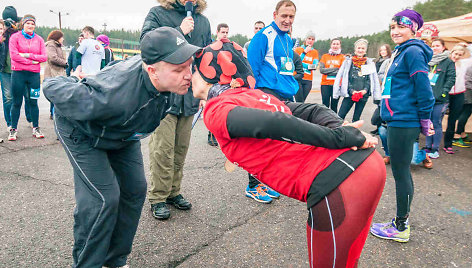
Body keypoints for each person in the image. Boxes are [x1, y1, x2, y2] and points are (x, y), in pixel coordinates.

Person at [192, 38, 385, 268]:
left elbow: (276, 122)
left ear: (209, 74)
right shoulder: (253, 96)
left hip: (339, 182)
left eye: (192, 71)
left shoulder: (217, 108)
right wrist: (341, 129)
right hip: (365, 167)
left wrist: (341, 136)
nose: (188, 76)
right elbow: (312, 109)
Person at [43, 27, 201, 268]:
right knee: (103, 199)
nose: (188, 75)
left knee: (135, 190)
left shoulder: (172, 82)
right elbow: (52, 88)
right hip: (82, 132)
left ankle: (114, 260)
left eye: (188, 66)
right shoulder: (113, 95)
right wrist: (74, 79)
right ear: (152, 71)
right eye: (179, 69)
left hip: (122, 134)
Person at [141, 0, 212, 220]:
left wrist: (206, 92)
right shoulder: (158, 14)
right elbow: (145, 43)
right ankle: (158, 197)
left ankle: (173, 192)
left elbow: (205, 60)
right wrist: (178, 32)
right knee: (163, 148)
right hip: (164, 94)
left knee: (181, 148)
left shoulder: (203, 21)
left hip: (189, 96)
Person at [370, 9, 435, 243]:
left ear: (414, 29)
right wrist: (382, 112)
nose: (395, 31)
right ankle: (400, 222)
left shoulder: (414, 52)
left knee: (401, 172)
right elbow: (395, 89)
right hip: (396, 118)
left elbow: (425, 91)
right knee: (400, 171)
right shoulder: (402, 52)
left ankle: (400, 226)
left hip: (404, 121)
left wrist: (425, 121)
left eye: (401, 27)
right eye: (392, 27)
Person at [247, 0, 299, 101]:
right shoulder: (263, 36)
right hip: (269, 93)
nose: (288, 21)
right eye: (284, 16)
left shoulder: (288, 39)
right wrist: (254, 98)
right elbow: (252, 70)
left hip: (287, 93)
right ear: (275, 15)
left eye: (291, 17)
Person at [8, 14, 47, 141]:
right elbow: (14, 56)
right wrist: (31, 61)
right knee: (17, 102)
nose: (30, 26)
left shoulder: (40, 39)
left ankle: (36, 127)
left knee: (33, 102)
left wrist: (27, 55)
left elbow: (44, 57)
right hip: (18, 74)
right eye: (28, 23)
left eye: (33, 24)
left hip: (34, 75)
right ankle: (13, 129)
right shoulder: (15, 37)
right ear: (23, 24)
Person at [334, 39, 381, 122]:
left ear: (365, 50)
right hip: (350, 94)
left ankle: (353, 133)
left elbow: (369, 79)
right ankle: (337, 132)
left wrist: (365, 90)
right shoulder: (348, 62)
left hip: (363, 95)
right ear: (355, 50)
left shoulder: (368, 63)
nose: (360, 50)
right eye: (359, 48)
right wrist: (352, 91)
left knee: (356, 118)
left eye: (363, 48)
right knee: (340, 116)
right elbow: (346, 78)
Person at [423, 39, 456, 158]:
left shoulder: (448, 62)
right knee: (428, 122)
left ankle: (435, 149)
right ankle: (427, 146)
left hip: (440, 100)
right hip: (427, 98)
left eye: (437, 46)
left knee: (436, 123)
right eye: (432, 46)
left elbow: (451, 78)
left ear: (443, 48)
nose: (434, 48)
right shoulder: (428, 61)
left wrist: (443, 92)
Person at [1, 6, 32, 132]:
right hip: (5, 70)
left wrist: (17, 30)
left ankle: (31, 119)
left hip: (21, 70)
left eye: (12, 21)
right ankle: (10, 123)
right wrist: (3, 32)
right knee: (8, 98)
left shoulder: (20, 32)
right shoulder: (1, 31)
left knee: (27, 95)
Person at [444, 43, 470, 152]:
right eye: (455, 53)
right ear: (451, 52)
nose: (457, 56)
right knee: (437, 119)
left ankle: (448, 144)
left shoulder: (463, 64)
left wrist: (467, 46)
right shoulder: (445, 62)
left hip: (458, 94)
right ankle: (431, 144)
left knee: (452, 119)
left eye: (460, 54)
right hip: (445, 94)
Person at [44, 30, 68, 120]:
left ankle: (55, 113)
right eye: (62, 37)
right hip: (53, 73)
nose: (63, 39)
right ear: (57, 37)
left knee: (58, 94)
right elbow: (53, 58)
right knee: (55, 94)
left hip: (58, 72)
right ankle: (53, 113)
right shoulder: (51, 45)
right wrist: (65, 63)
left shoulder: (57, 45)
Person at [319, 39, 345, 112]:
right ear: (331, 45)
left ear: (340, 46)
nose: (335, 46)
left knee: (334, 105)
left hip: (337, 85)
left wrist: (328, 70)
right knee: (325, 105)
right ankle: (323, 121)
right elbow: (322, 70)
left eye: (337, 44)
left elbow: (342, 72)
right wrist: (336, 68)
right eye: (334, 44)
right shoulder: (325, 56)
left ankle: (334, 122)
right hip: (325, 84)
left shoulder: (342, 57)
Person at [294, 31, 319, 102]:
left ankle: (297, 113)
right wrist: (304, 52)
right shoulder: (298, 49)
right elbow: (295, 62)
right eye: (309, 38)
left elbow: (314, 66)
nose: (310, 41)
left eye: (312, 39)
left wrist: (301, 64)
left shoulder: (315, 52)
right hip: (298, 78)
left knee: (302, 102)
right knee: (299, 101)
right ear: (305, 39)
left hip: (308, 80)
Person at [455, 63, 472, 145]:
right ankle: (457, 135)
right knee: (466, 113)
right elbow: (468, 82)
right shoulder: (470, 67)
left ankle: (462, 134)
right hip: (468, 93)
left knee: (465, 113)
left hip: (466, 92)